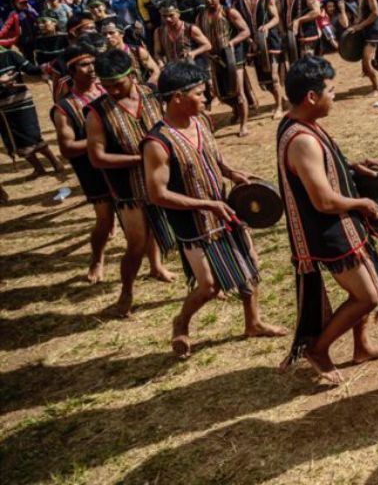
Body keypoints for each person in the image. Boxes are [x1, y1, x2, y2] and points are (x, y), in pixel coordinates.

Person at [141, 60, 286, 357]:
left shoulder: (202, 121)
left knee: (250, 265)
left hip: (224, 210)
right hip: (193, 225)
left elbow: (213, 158)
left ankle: (253, 322)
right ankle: (181, 323)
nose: (206, 98)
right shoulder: (157, 143)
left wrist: (232, 173)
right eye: (199, 93)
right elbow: (157, 194)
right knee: (209, 287)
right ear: (177, 97)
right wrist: (208, 204)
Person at [276, 56, 378, 383]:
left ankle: (362, 346)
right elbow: (323, 200)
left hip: (343, 224)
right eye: (330, 91)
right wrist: (364, 203)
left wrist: (351, 166)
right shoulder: (301, 140)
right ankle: (318, 348)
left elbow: (322, 170)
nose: (335, 96)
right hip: (328, 231)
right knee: (367, 296)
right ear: (311, 97)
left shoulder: (302, 122)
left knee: (374, 278)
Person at [86, 48, 175, 317]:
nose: (112, 91)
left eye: (118, 84)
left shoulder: (153, 95)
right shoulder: (96, 113)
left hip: (164, 177)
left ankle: (157, 267)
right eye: (106, 85)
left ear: (132, 75)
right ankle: (126, 293)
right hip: (129, 187)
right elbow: (97, 158)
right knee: (136, 244)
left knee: (168, 228)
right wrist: (141, 159)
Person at [50, 42, 115, 283]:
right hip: (93, 171)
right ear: (72, 70)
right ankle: (97, 258)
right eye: (84, 64)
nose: (91, 68)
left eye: (92, 62)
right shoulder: (64, 107)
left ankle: (156, 264)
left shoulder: (109, 90)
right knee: (105, 221)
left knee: (138, 217)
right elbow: (67, 148)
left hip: (121, 163)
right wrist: (98, 141)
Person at [0, 44, 62, 176]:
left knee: (32, 135)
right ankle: (39, 168)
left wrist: (47, 67)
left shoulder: (10, 55)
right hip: (2, 111)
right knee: (15, 141)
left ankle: (55, 162)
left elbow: (30, 70)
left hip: (22, 103)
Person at [197, 0, 252, 136]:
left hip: (233, 56)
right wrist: (208, 54)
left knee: (239, 92)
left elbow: (246, 31)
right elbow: (198, 37)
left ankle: (244, 125)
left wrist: (232, 42)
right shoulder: (200, 16)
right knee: (221, 93)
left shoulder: (229, 12)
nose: (208, 0)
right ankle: (235, 110)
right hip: (214, 58)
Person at [233, 0, 285, 118]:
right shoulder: (237, 5)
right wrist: (249, 39)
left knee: (274, 76)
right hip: (253, 44)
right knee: (264, 79)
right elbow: (239, 27)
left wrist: (267, 27)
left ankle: (279, 107)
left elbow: (276, 17)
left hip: (271, 41)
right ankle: (279, 99)